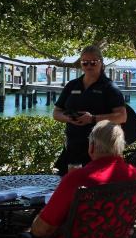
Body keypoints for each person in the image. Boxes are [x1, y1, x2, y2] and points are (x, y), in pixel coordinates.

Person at [52, 45, 127, 175]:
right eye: (84, 62)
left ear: (101, 63)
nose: (88, 66)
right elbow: (56, 113)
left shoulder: (109, 87)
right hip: (72, 146)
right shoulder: (72, 85)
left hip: (99, 150)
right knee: (68, 184)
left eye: (93, 62)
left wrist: (92, 119)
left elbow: (122, 116)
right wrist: (68, 118)